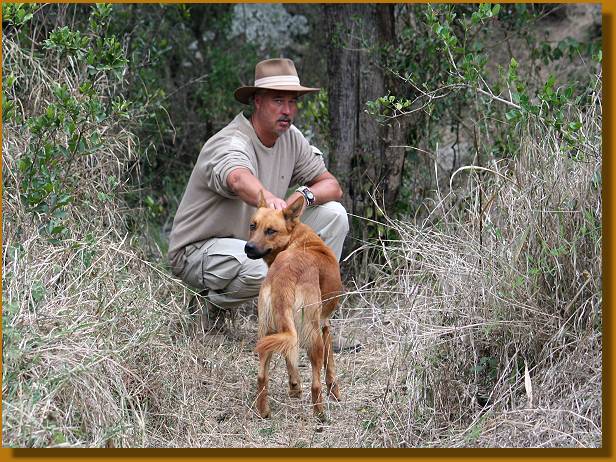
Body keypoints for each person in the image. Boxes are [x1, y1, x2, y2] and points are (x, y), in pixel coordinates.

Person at [168, 58, 358, 350]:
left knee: (334, 215)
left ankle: (312, 330)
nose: (287, 110)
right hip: (199, 251)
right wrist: (269, 199)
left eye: (292, 102)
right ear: (256, 101)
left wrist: (304, 196)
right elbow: (236, 177)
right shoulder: (232, 141)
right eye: (278, 100)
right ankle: (208, 303)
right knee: (273, 269)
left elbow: (331, 185)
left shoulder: (290, 138)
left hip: (254, 242)